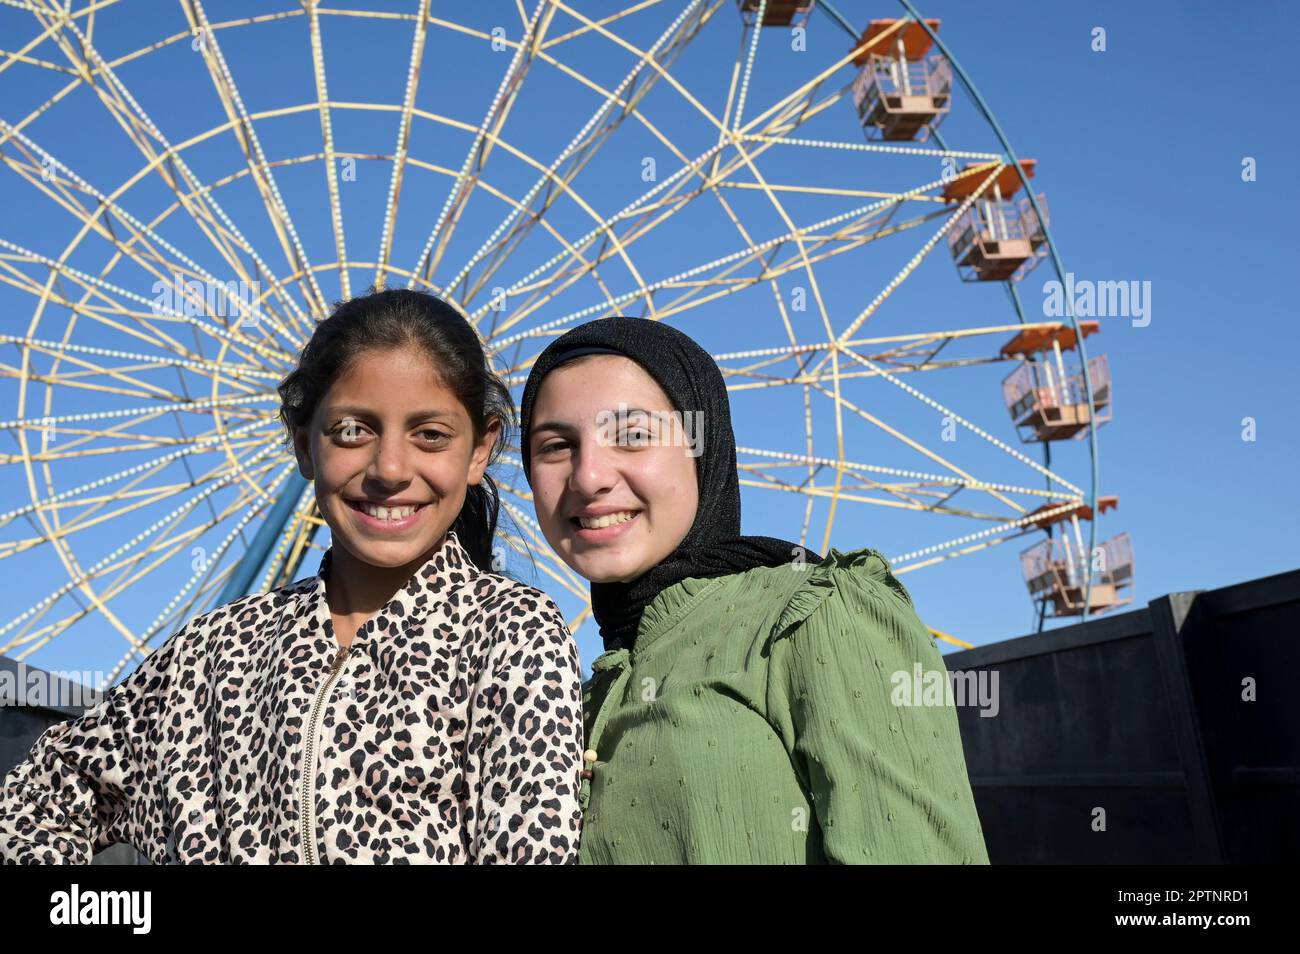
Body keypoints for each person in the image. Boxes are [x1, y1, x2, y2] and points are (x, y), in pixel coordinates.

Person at [0, 288, 583, 864]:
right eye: (353, 431)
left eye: (430, 434)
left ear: (481, 450)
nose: (390, 469)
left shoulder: (510, 636)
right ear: (304, 444)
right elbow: (39, 803)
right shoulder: (214, 651)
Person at [519, 316, 989, 864]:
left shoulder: (812, 615)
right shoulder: (573, 697)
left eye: (634, 436)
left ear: (704, 446)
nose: (588, 475)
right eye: (555, 446)